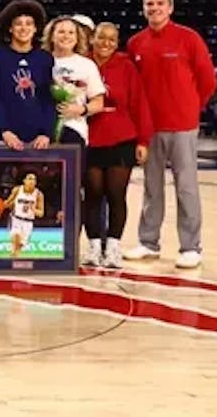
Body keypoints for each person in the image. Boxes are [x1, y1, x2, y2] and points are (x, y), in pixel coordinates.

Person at [124, 0, 217, 269]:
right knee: (151, 188)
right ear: (143, 9)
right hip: (149, 128)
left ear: (170, 7)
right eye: (149, 4)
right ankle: (149, 242)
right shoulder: (135, 43)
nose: (154, 8)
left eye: (160, 3)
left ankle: (191, 246)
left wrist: (190, 108)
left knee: (186, 187)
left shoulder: (189, 38)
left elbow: (208, 81)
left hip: (182, 126)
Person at [85, 22, 152, 268]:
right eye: (102, 37)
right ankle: (93, 247)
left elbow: (139, 104)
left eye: (112, 39)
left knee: (116, 194)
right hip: (89, 137)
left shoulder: (126, 67)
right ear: (92, 38)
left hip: (121, 137)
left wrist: (143, 140)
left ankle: (113, 247)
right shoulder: (82, 63)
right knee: (92, 193)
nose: (106, 43)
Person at [0, 0, 54, 151]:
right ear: (10, 28)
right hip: (4, 136)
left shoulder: (45, 58)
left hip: (38, 138)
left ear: (36, 28)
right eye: (18, 23)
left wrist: (46, 133)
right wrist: (5, 130)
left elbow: (48, 99)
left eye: (29, 23)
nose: (24, 28)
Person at [42, 15, 105, 146]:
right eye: (61, 32)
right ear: (51, 36)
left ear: (77, 38)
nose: (66, 36)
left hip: (74, 130)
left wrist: (80, 109)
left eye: (71, 32)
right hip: (41, 131)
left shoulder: (87, 65)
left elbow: (98, 103)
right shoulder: (39, 61)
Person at [4, 171, 44, 258]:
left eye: (34, 179)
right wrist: (4, 204)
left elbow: (41, 213)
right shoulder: (17, 190)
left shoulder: (39, 194)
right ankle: (12, 260)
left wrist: (34, 210)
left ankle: (13, 259)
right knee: (16, 239)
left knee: (18, 247)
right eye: (29, 178)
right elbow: (8, 203)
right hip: (16, 219)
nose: (32, 181)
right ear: (24, 181)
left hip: (28, 222)